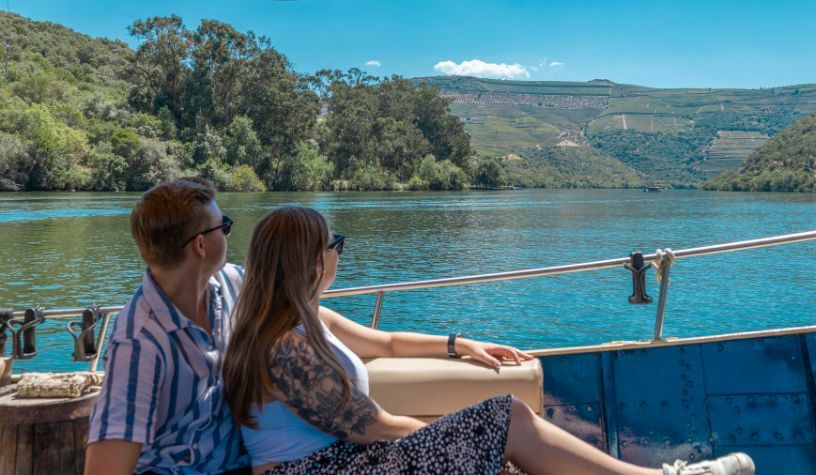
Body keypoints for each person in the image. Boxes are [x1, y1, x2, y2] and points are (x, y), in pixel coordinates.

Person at [222, 205, 756, 475]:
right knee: (505, 418)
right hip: (319, 472)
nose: (340, 252)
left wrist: (459, 343)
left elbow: (385, 344)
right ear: (313, 259)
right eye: (335, 243)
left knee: (498, 425)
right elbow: (372, 426)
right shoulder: (282, 344)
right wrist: (474, 436)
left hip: (340, 461)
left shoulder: (306, 318)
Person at [85, 178, 250, 475]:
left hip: (243, 461)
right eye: (224, 226)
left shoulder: (231, 283)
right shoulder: (138, 344)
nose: (227, 232)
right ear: (201, 244)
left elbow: (296, 308)